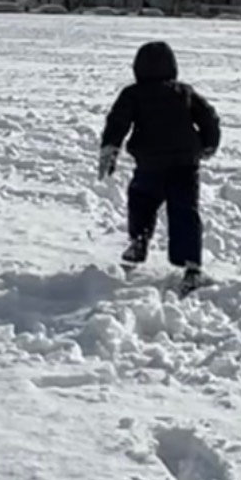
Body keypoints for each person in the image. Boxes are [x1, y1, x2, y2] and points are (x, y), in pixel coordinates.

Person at [98, 40, 221, 293]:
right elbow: (208, 117)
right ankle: (191, 266)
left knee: (141, 200)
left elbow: (117, 121)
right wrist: (209, 143)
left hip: (150, 161)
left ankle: (139, 239)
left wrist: (110, 148)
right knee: (184, 211)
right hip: (184, 163)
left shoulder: (132, 93)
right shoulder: (184, 91)